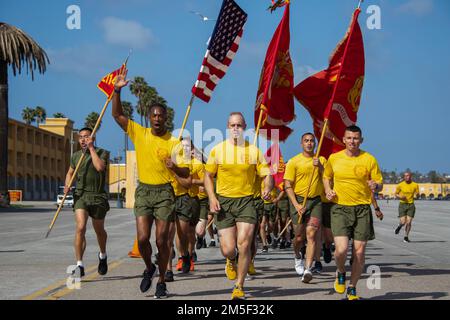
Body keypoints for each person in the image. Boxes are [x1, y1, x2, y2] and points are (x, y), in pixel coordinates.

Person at [112, 67, 190, 299]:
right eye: (154, 115)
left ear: (166, 118)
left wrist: (173, 166)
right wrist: (116, 91)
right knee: (143, 239)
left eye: (161, 115)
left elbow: (185, 171)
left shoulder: (174, 142)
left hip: (165, 192)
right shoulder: (139, 133)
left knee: (161, 240)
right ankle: (149, 268)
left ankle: (162, 282)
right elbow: (117, 116)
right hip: (144, 191)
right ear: (149, 117)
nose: (157, 118)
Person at [204, 112, 273, 300]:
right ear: (228, 127)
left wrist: (267, 187)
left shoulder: (254, 151)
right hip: (224, 202)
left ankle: (239, 286)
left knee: (244, 244)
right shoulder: (217, 150)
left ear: (245, 128)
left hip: (246, 201)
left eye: (239, 126)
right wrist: (212, 197)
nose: (236, 129)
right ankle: (230, 259)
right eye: (233, 125)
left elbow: (267, 175)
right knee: (228, 249)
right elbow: (208, 176)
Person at [323, 125, 383, 300]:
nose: (352, 141)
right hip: (340, 208)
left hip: (362, 209)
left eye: (356, 138)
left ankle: (352, 288)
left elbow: (379, 183)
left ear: (361, 140)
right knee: (340, 250)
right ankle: (340, 271)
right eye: (349, 138)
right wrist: (328, 190)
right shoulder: (334, 159)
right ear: (343, 139)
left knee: (359, 252)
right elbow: (326, 177)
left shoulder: (369, 159)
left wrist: (376, 186)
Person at [65, 127, 109, 278]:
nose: (83, 139)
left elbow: (100, 167)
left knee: (99, 231)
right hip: (81, 196)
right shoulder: (76, 156)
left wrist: (91, 148)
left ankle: (102, 255)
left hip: (97, 197)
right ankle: (79, 264)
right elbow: (70, 172)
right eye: (81, 137)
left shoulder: (102, 152)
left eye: (87, 137)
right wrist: (67, 184)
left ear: (93, 138)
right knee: (80, 227)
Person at [284, 133, 326, 284]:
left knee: (312, 234)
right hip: (298, 200)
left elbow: (328, 178)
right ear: (301, 144)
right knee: (299, 238)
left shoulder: (321, 160)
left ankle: (308, 269)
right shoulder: (294, 161)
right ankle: (297, 256)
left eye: (311, 141)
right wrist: (296, 205)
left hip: (315, 201)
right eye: (306, 141)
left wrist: (320, 167)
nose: (309, 143)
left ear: (315, 143)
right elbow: (287, 185)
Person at [394, 172, 419, 242]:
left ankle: (406, 237)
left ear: (411, 176)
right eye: (405, 176)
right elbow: (395, 194)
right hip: (402, 205)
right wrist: (400, 197)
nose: (407, 177)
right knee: (403, 222)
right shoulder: (400, 185)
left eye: (408, 176)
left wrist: (417, 196)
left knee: (409, 222)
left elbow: (417, 194)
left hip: (411, 205)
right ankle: (399, 226)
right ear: (404, 177)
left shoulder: (415, 185)